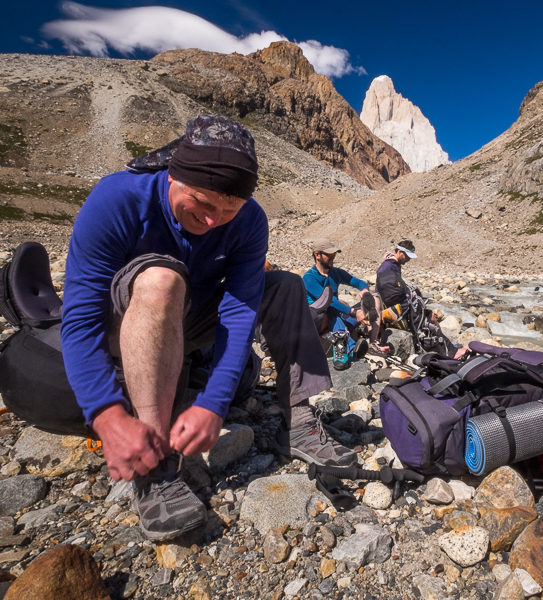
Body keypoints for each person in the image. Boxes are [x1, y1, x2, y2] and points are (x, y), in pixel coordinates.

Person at [58, 115, 356, 542]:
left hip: (188, 318)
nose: (213, 220)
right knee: (162, 279)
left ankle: (300, 418)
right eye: (201, 202)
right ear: (173, 176)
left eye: (228, 209)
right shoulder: (118, 199)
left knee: (285, 286)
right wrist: (106, 416)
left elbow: (239, 309)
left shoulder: (249, 220)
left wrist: (214, 404)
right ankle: (155, 465)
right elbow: (81, 317)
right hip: (124, 325)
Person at [302, 241, 389, 367]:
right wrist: (353, 312)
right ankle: (348, 347)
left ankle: (372, 343)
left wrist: (365, 292)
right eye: (329, 255)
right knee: (329, 309)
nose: (333, 258)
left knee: (375, 299)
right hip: (318, 320)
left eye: (334, 255)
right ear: (317, 255)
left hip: (337, 316)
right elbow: (330, 301)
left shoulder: (335, 273)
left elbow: (358, 282)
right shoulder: (309, 278)